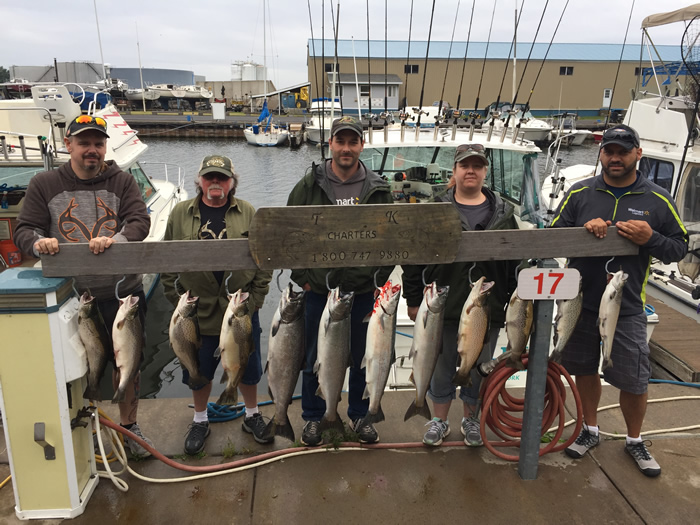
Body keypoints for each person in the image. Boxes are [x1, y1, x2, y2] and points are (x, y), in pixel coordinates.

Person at [550, 124, 688, 477]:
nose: (614, 157)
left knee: (634, 379)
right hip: (579, 304)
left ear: (637, 154)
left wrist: (650, 237)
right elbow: (550, 236)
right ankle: (590, 428)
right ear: (602, 154)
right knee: (583, 369)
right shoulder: (580, 193)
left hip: (626, 308)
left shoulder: (657, 199)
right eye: (608, 151)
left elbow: (679, 248)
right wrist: (580, 232)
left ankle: (634, 439)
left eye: (622, 151)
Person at [14, 114, 154, 456]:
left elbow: (139, 221)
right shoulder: (43, 184)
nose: (92, 150)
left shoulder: (121, 181)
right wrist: (38, 243)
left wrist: (115, 241)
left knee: (128, 367)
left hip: (123, 296)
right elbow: (23, 230)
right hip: (71, 300)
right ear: (68, 145)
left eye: (98, 143)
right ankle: (83, 426)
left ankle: (129, 428)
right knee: (76, 367)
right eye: (84, 143)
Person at [402, 144, 520, 448]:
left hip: (486, 310)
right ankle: (439, 420)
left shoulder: (504, 213)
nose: (471, 171)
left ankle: (470, 419)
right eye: (465, 165)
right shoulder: (434, 209)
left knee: (478, 367)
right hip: (442, 308)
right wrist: (413, 299)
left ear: (485, 171)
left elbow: (517, 258)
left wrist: (513, 298)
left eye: (477, 166)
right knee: (439, 367)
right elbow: (414, 256)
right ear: (454, 171)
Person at [286, 116, 393, 446]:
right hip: (320, 289)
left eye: (353, 142)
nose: (346, 148)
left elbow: (393, 239)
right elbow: (289, 232)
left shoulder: (378, 188)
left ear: (362, 146)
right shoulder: (308, 185)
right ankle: (315, 418)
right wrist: (303, 279)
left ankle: (360, 415)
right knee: (313, 358)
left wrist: (378, 279)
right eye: (340, 141)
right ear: (330, 143)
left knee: (364, 355)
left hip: (362, 290)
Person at [161, 155, 272, 455]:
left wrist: (256, 301)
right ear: (199, 181)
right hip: (197, 311)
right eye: (209, 177)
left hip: (240, 310)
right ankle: (200, 420)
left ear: (231, 183)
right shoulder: (180, 213)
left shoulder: (248, 211)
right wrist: (180, 305)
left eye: (221, 178)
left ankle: (252, 415)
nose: (215, 183)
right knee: (198, 369)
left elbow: (264, 262)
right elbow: (166, 261)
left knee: (245, 366)